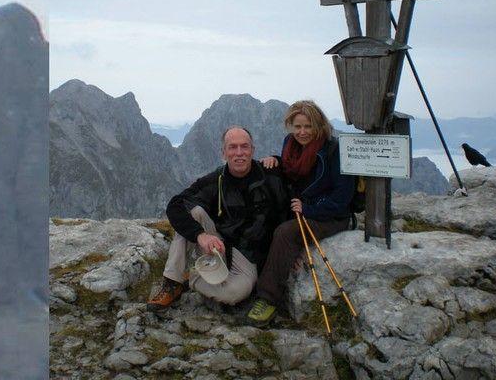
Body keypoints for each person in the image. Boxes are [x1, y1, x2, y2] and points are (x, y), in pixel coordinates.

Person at [147, 126, 288, 310]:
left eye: (244, 147)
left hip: (250, 255)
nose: (239, 153)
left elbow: (293, 181)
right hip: (219, 243)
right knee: (194, 212)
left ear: (253, 150)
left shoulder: (270, 176)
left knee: (235, 293)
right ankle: (173, 281)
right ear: (224, 153)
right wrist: (200, 235)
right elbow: (175, 205)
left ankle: (194, 277)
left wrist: (277, 159)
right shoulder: (216, 180)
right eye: (232, 147)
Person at [247, 100, 354, 325]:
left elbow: (342, 198)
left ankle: (267, 298)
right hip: (300, 208)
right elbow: (291, 173)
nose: (302, 132)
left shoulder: (333, 151)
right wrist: (275, 160)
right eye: (297, 126)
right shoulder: (291, 144)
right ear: (290, 126)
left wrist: (310, 209)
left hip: (331, 216)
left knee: (285, 233)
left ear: (319, 125)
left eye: (308, 126)